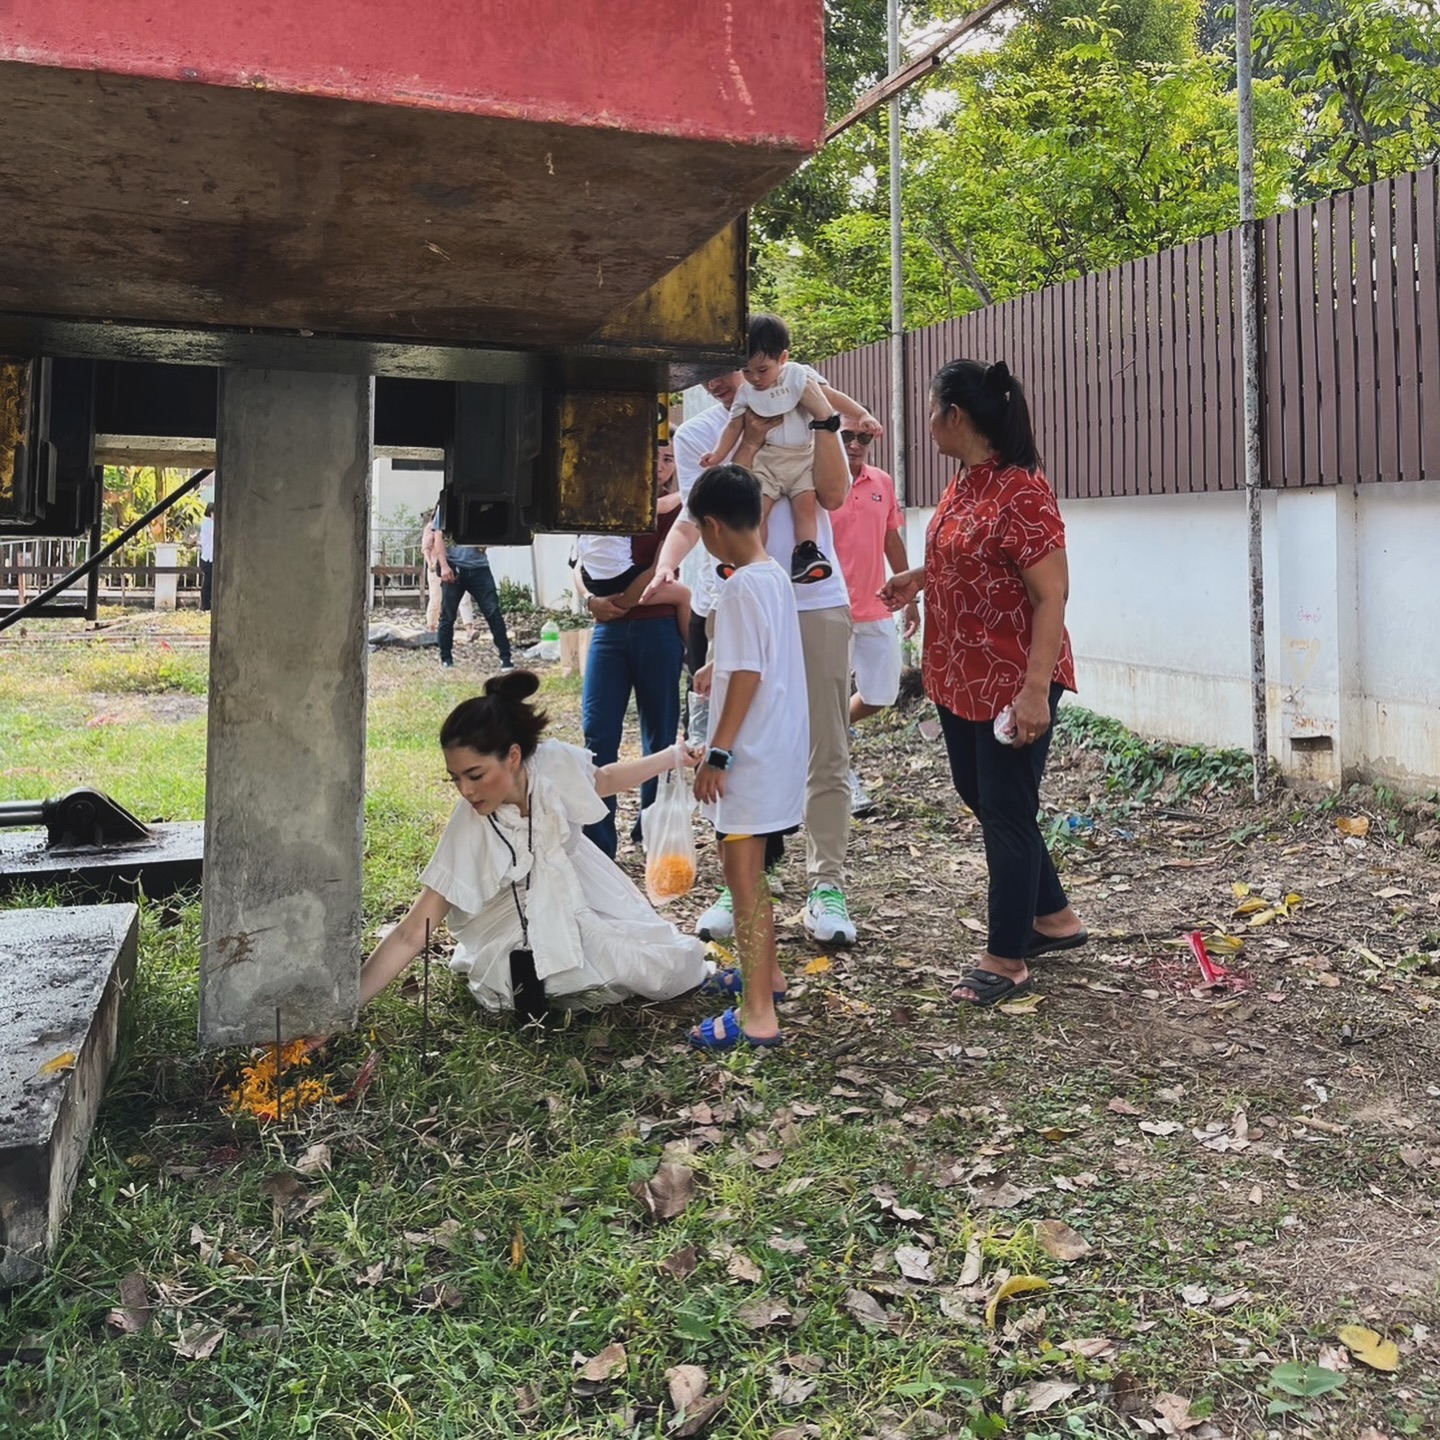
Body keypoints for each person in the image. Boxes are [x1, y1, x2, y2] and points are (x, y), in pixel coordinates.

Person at [880, 359, 1087, 1008]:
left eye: (933, 410)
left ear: (955, 417)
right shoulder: (967, 481)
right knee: (984, 795)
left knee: (1004, 807)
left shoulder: (1023, 491)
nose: (928, 423)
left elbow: (1051, 597)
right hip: (957, 673)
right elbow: (964, 552)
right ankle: (1053, 917)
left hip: (1009, 679)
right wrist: (919, 578)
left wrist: (1033, 692)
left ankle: (1006, 957)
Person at [354, 671, 708, 1016]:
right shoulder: (471, 824)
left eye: (475, 775)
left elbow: (603, 779)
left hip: (579, 888)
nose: (466, 790)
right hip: (510, 921)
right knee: (577, 972)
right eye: (455, 779)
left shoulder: (552, 765)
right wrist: (344, 1008)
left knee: (656, 961)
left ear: (512, 756)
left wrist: (673, 756)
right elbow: (413, 932)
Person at [654, 371, 860, 949]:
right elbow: (707, 515)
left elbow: (835, 493)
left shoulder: (807, 396)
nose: (720, 381)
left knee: (827, 742)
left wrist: (823, 417)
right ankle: (745, 881)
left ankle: (826, 884)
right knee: (738, 742)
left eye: (738, 366)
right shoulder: (699, 434)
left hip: (816, 598)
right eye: (710, 372)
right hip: (739, 598)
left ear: (768, 364)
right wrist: (669, 567)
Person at [687, 464, 807, 1050]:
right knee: (750, 876)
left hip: (750, 756)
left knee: (743, 882)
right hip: (778, 748)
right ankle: (771, 977)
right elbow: (757, 656)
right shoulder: (772, 576)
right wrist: (720, 664)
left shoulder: (736, 588)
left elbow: (751, 673)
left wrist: (719, 754)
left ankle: (758, 1015)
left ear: (712, 527)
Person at [575, 442, 693, 859]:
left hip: (656, 627)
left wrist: (623, 602)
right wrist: (591, 602)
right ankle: (597, 843)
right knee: (597, 732)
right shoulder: (609, 495)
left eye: (669, 459)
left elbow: (661, 574)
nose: (660, 466)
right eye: (653, 455)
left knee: (660, 735)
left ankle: (653, 832)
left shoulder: (679, 509)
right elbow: (578, 565)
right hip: (607, 631)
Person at [700, 314, 881, 584]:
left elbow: (833, 398)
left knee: (805, 505)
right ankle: (746, 559)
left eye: (763, 370)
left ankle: (807, 554)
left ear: (783, 359)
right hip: (768, 459)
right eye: (747, 371)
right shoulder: (747, 393)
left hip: (803, 458)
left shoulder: (800, 376)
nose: (755, 378)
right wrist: (717, 455)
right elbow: (733, 427)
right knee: (756, 509)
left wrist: (861, 415)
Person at [828, 422, 920, 815]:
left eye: (863, 437)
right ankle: (839, 777)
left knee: (880, 694)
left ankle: (829, 735)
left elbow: (891, 540)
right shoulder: (820, 483)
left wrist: (912, 596)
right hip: (827, 610)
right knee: (827, 698)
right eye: (846, 436)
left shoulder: (880, 480)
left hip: (877, 606)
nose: (854, 444)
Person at [433, 498, 513, 672]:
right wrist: (444, 565)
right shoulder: (447, 506)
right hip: (455, 567)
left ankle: (506, 657)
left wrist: (485, 543)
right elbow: (437, 535)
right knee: (447, 615)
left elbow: (496, 531)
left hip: (479, 567)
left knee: (493, 612)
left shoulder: (484, 504)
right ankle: (445, 658)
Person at [423, 506, 474, 635]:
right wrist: (430, 563)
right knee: (436, 597)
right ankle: (431, 627)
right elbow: (426, 548)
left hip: (456, 564)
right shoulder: (431, 527)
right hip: (437, 566)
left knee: (464, 596)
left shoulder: (456, 528)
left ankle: (469, 628)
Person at [198, 503, 214, 612]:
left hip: (206, 557)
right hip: (208, 558)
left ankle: (206, 604)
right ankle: (206, 605)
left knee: (208, 582)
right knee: (208, 583)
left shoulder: (206, 523)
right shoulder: (209, 524)